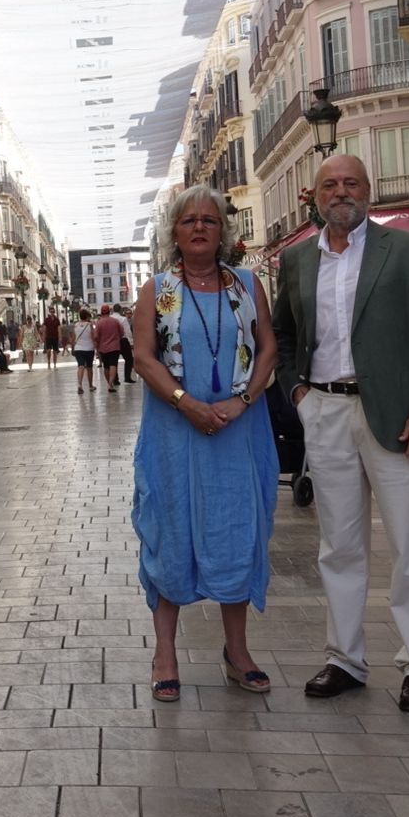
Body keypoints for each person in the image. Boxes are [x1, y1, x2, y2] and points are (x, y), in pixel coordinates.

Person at [270, 155, 409, 713]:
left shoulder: (407, 250)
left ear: (368, 191)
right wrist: (299, 394)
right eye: (330, 184)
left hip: (400, 417)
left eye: (351, 183)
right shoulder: (297, 259)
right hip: (325, 411)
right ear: (315, 196)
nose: (341, 192)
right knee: (339, 546)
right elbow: (283, 333)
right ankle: (345, 659)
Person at [132, 184, 280, 702]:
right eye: (189, 220)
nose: (199, 227)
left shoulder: (247, 284)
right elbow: (143, 357)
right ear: (174, 232)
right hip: (174, 435)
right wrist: (186, 403)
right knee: (171, 534)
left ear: (223, 232)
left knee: (237, 532)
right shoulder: (158, 289)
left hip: (238, 433)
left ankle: (237, 652)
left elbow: (268, 348)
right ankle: (165, 654)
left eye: (209, 220)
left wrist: (242, 400)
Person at [93, 304, 124, 393]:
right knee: (113, 365)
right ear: (109, 312)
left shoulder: (99, 323)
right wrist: (117, 338)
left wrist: (98, 343)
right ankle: (111, 383)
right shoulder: (115, 321)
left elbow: (95, 336)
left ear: (101, 312)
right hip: (114, 347)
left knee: (106, 367)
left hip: (103, 348)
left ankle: (110, 384)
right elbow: (122, 332)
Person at [72, 308, 96, 393]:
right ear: (86, 316)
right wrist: (96, 347)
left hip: (78, 349)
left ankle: (80, 385)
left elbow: (73, 338)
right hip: (89, 348)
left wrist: (73, 348)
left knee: (80, 366)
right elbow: (93, 337)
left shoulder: (76, 325)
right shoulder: (90, 325)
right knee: (89, 367)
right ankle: (90, 386)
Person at [115, 304, 137, 383]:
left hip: (113, 341)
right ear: (120, 310)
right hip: (123, 340)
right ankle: (127, 377)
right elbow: (127, 331)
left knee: (114, 361)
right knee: (128, 359)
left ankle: (115, 379)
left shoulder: (110, 318)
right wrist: (131, 342)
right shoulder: (123, 319)